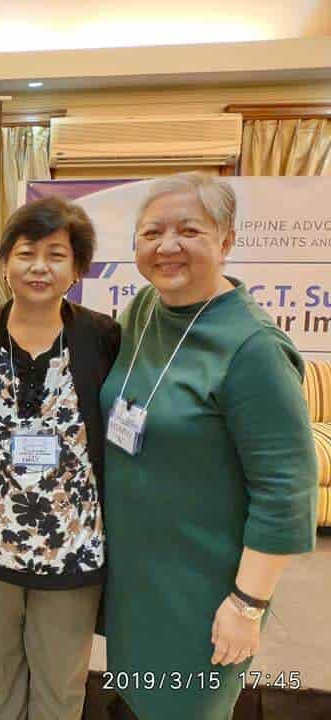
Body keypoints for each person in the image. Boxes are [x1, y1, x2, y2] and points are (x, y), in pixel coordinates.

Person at [101, 173, 317, 719]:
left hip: (202, 588)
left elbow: (285, 488)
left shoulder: (253, 347)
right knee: (137, 701)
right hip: (136, 578)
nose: (167, 245)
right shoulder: (143, 309)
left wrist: (247, 605)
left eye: (188, 230)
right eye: (152, 232)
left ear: (226, 240)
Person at [0, 197, 120, 720]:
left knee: (60, 689)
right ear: (5, 262)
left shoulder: (101, 336)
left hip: (73, 549)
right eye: (26, 253)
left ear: (77, 267)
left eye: (56, 255)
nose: (40, 267)